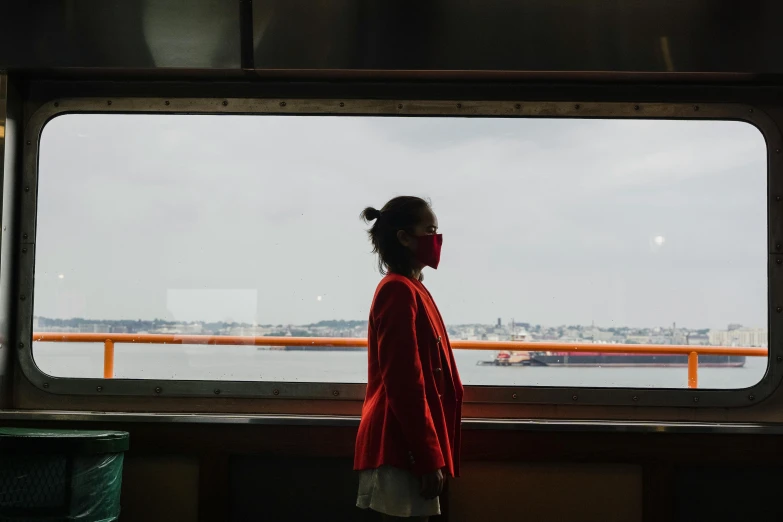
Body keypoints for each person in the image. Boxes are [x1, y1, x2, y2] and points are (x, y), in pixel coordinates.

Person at [354, 196, 464, 521]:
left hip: (405, 446)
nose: (436, 239)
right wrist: (428, 457)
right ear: (404, 237)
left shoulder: (411, 288)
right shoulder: (398, 291)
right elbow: (405, 384)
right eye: (429, 230)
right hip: (398, 448)